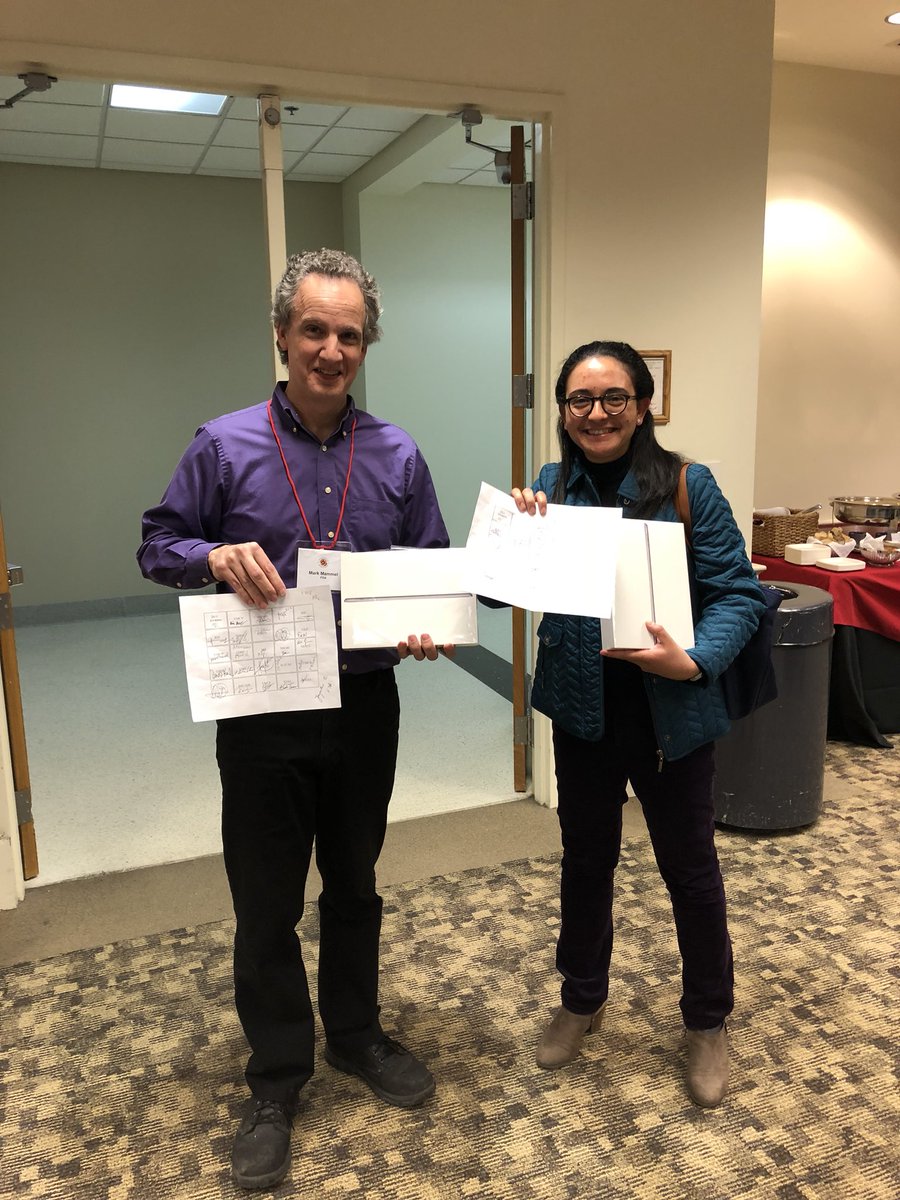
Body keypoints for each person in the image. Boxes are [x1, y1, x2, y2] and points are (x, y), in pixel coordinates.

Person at [137, 248, 452, 1190]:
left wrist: (427, 622)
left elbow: (430, 563)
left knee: (354, 882)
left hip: (364, 704)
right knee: (267, 902)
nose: (330, 350)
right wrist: (211, 557)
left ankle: (355, 1034)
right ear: (282, 336)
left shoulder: (398, 454)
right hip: (263, 708)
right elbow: (157, 543)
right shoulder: (223, 444)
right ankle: (277, 1079)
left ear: (366, 346)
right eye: (313, 330)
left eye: (348, 334)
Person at [514, 340, 765, 1108]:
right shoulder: (551, 487)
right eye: (580, 400)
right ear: (564, 411)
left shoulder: (688, 485)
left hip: (671, 715)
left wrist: (693, 661)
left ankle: (707, 1021)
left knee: (690, 870)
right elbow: (498, 593)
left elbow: (738, 593)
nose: (597, 414)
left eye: (613, 398)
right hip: (583, 715)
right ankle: (581, 998)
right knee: (585, 861)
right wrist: (515, 534)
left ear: (643, 405)